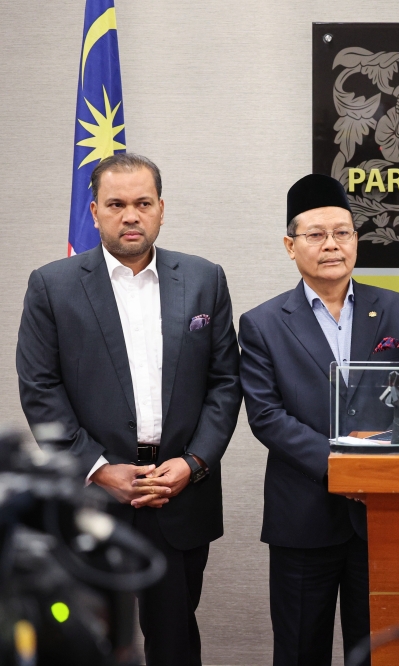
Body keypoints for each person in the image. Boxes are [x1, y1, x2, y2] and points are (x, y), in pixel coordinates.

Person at [16, 153, 242, 666]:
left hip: (178, 491)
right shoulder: (52, 285)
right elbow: (40, 388)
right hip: (94, 497)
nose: (131, 215)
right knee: (89, 642)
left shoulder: (205, 279)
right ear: (93, 212)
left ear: (162, 209)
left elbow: (225, 383)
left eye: (143, 203)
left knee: (175, 642)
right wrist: (97, 469)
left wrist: (194, 463)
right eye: (116, 204)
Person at [239, 174, 399, 666]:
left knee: (381, 651)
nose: (331, 245)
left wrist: (378, 467)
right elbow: (266, 417)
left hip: (382, 513)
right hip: (303, 516)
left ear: (356, 241)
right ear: (290, 245)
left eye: (342, 233)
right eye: (316, 235)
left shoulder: (397, 311)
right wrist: (345, 467)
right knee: (302, 650)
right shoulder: (262, 323)